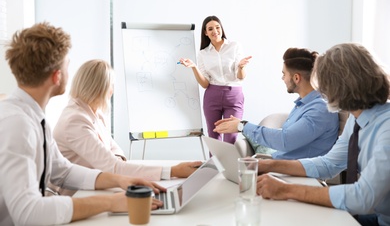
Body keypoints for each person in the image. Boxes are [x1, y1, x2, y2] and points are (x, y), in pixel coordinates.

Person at [0, 22, 166, 225]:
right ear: (57, 76)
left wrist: (120, 180)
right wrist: (110, 203)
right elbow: (28, 213)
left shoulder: (33, 116)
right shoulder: (18, 125)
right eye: (67, 66)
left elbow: (63, 171)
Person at [256, 43, 390, 226]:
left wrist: (285, 190)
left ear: (342, 86)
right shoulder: (356, 119)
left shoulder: (387, 126)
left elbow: (363, 197)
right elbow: (329, 163)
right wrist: (270, 164)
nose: (323, 91)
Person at [53, 59, 202, 185]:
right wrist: (174, 170)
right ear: (99, 89)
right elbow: (112, 167)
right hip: (75, 193)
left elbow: (115, 150)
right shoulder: (75, 120)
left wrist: (114, 163)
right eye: (111, 85)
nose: (112, 90)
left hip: (96, 184)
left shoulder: (95, 112)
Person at [214, 48, 339, 160]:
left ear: (296, 78)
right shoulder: (303, 104)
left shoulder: (319, 109)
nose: (282, 79)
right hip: (278, 167)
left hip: (293, 175)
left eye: (284, 74)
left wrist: (242, 126)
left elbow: (286, 140)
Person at [179, 15, 252, 144]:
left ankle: (229, 165)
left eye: (218, 27)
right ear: (206, 33)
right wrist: (194, 67)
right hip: (212, 95)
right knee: (214, 137)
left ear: (222, 29)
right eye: (211, 29)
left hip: (233, 95)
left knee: (231, 138)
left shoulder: (234, 46)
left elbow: (240, 76)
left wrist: (241, 67)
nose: (215, 31)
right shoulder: (203, 53)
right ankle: (215, 164)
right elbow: (205, 84)